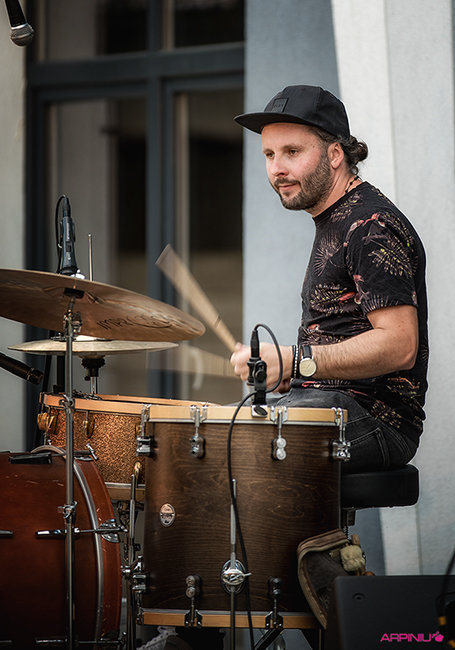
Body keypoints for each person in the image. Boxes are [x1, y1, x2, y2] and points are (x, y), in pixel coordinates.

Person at [230, 84, 428, 473]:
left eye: (292, 152)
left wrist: (295, 360)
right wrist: (287, 373)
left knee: (238, 448)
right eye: (269, 154)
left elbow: (400, 344)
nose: (277, 168)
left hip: (378, 419)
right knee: (213, 433)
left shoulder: (369, 225)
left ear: (335, 154)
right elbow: (338, 339)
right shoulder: (336, 218)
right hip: (327, 403)